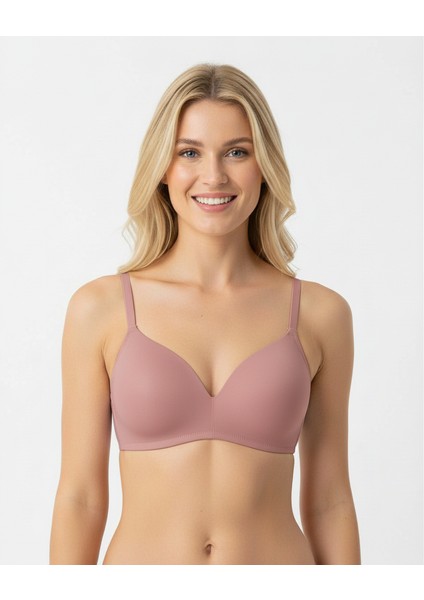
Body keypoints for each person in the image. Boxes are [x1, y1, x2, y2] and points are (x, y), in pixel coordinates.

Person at [49, 63, 361, 565]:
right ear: (163, 168)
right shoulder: (100, 310)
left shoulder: (321, 314)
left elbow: (330, 500)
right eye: (189, 152)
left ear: (264, 166)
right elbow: (80, 497)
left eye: (237, 152)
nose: (213, 176)